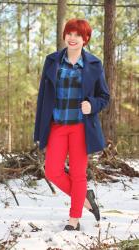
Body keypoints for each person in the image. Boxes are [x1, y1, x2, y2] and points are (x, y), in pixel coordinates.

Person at [33, 18, 110, 231]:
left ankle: (74, 220)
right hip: (57, 125)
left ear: (85, 39)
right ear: (65, 36)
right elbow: (43, 98)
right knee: (52, 171)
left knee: (78, 174)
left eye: (78, 35)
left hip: (80, 128)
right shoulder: (52, 61)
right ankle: (85, 198)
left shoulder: (94, 64)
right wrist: (39, 128)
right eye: (70, 33)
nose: (72, 38)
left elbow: (105, 96)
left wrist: (92, 105)